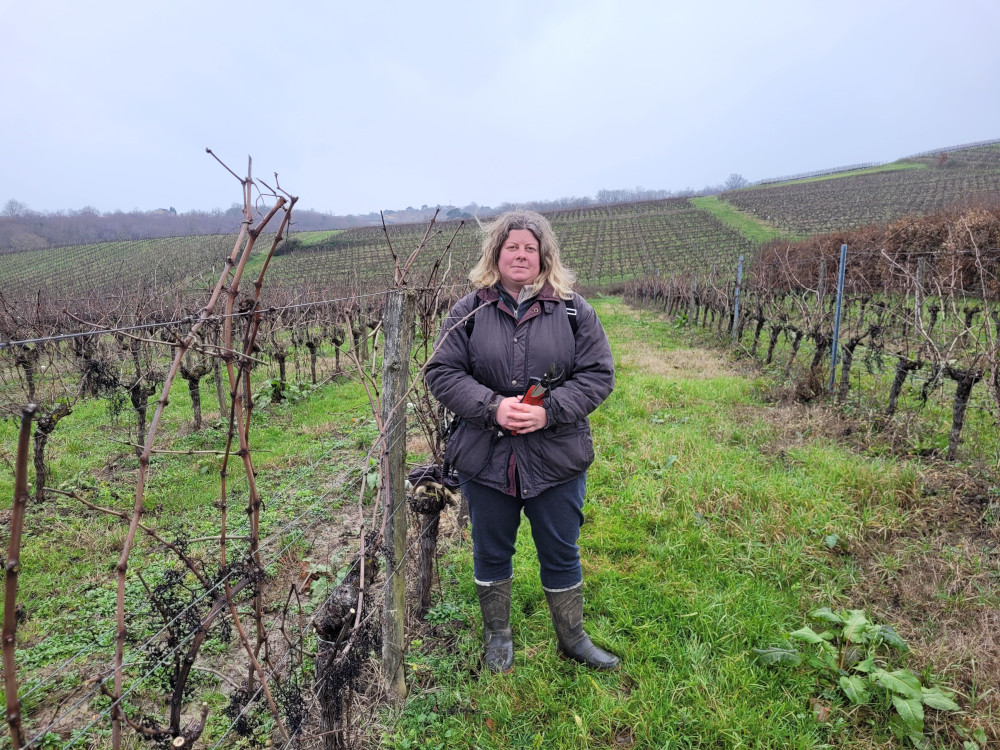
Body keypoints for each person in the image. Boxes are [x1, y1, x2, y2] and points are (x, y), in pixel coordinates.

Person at [424, 209, 619, 673]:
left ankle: (573, 638)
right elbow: (442, 372)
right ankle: (498, 639)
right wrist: (492, 406)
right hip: (486, 458)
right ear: (496, 254)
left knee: (560, 548)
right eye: (511, 246)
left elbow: (598, 375)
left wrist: (548, 412)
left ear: (543, 256)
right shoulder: (469, 310)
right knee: (490, 549)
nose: (521, 254)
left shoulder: (573, 310)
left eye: (530, 248)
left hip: (556, 458)